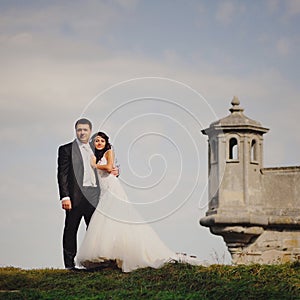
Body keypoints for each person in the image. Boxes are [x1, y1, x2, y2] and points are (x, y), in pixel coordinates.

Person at [76, 132, 203, 272]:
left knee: (115, 215)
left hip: (112, 188)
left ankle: (118, 254)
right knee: (105, 219)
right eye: (97, 141)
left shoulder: (108, 152)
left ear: (106, 142)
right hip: (103, 190)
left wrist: (95, 165)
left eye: (102, 141)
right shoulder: (95, 156)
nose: (99, 143)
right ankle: (108, 255)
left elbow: (109, 166)